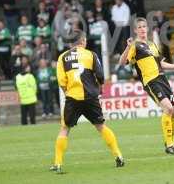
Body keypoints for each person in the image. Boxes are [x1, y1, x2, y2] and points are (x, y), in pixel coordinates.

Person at [50, 30, 124, 173]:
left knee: (65, 129)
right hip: (91, 97)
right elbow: (101, 76)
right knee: (101, 126)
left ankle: (58, 163)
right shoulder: (91, 55)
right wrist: (99, 87)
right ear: (83, 41)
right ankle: (118, 156)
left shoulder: (62, 58)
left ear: (71, 42)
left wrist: (68, 93)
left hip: (72, 98)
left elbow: (61, 82)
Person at [119, 18, 174, 155]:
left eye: (144, 26)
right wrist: (128, 47)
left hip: (162, 79)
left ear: (147, 28)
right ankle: (169, 145)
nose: (142, 29)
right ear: (135, 30)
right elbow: (122, 62)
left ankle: (170, 141)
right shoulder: (134, 46)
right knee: (168, 108)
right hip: (151, 81)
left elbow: (162, 64)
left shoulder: (152, 44)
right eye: (139, 27)